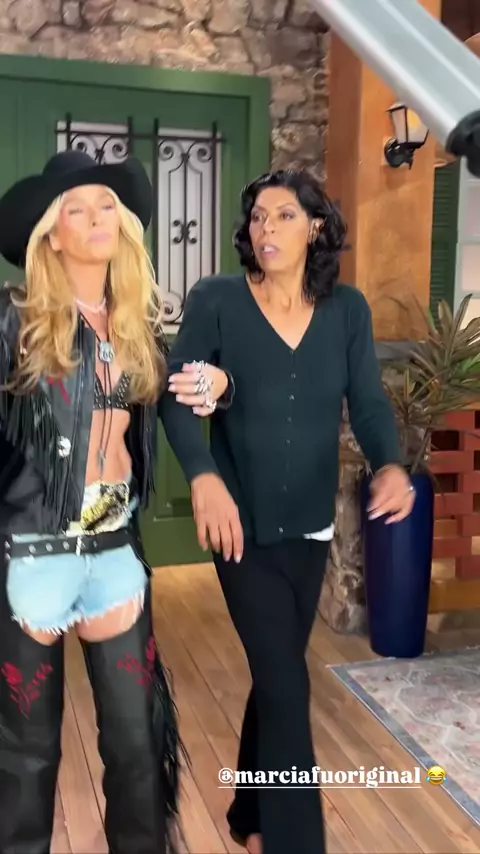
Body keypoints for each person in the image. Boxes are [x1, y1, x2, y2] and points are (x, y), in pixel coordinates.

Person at [159, 169, 415, 854]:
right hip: (239, 528)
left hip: (311, 527)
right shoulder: (217, 300)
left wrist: (390, 463)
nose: (266, 228)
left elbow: (367, 401)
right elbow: (177, 399)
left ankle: (250, 810)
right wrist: (204, 476)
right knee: (286, 681)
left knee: (277, 675)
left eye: (284, 216)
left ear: (317, 228)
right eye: (258, 217)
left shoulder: (347, 310)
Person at [0, 149, 231, 854]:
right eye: (76, 209)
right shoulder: (14, 323)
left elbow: (179, 404)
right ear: (51, 234)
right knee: (25, 756)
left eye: (107, 205)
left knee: (137, 746)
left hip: (113, 552)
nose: (97, 217)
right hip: (33, 551)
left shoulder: (138, 327)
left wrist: (218, 387)